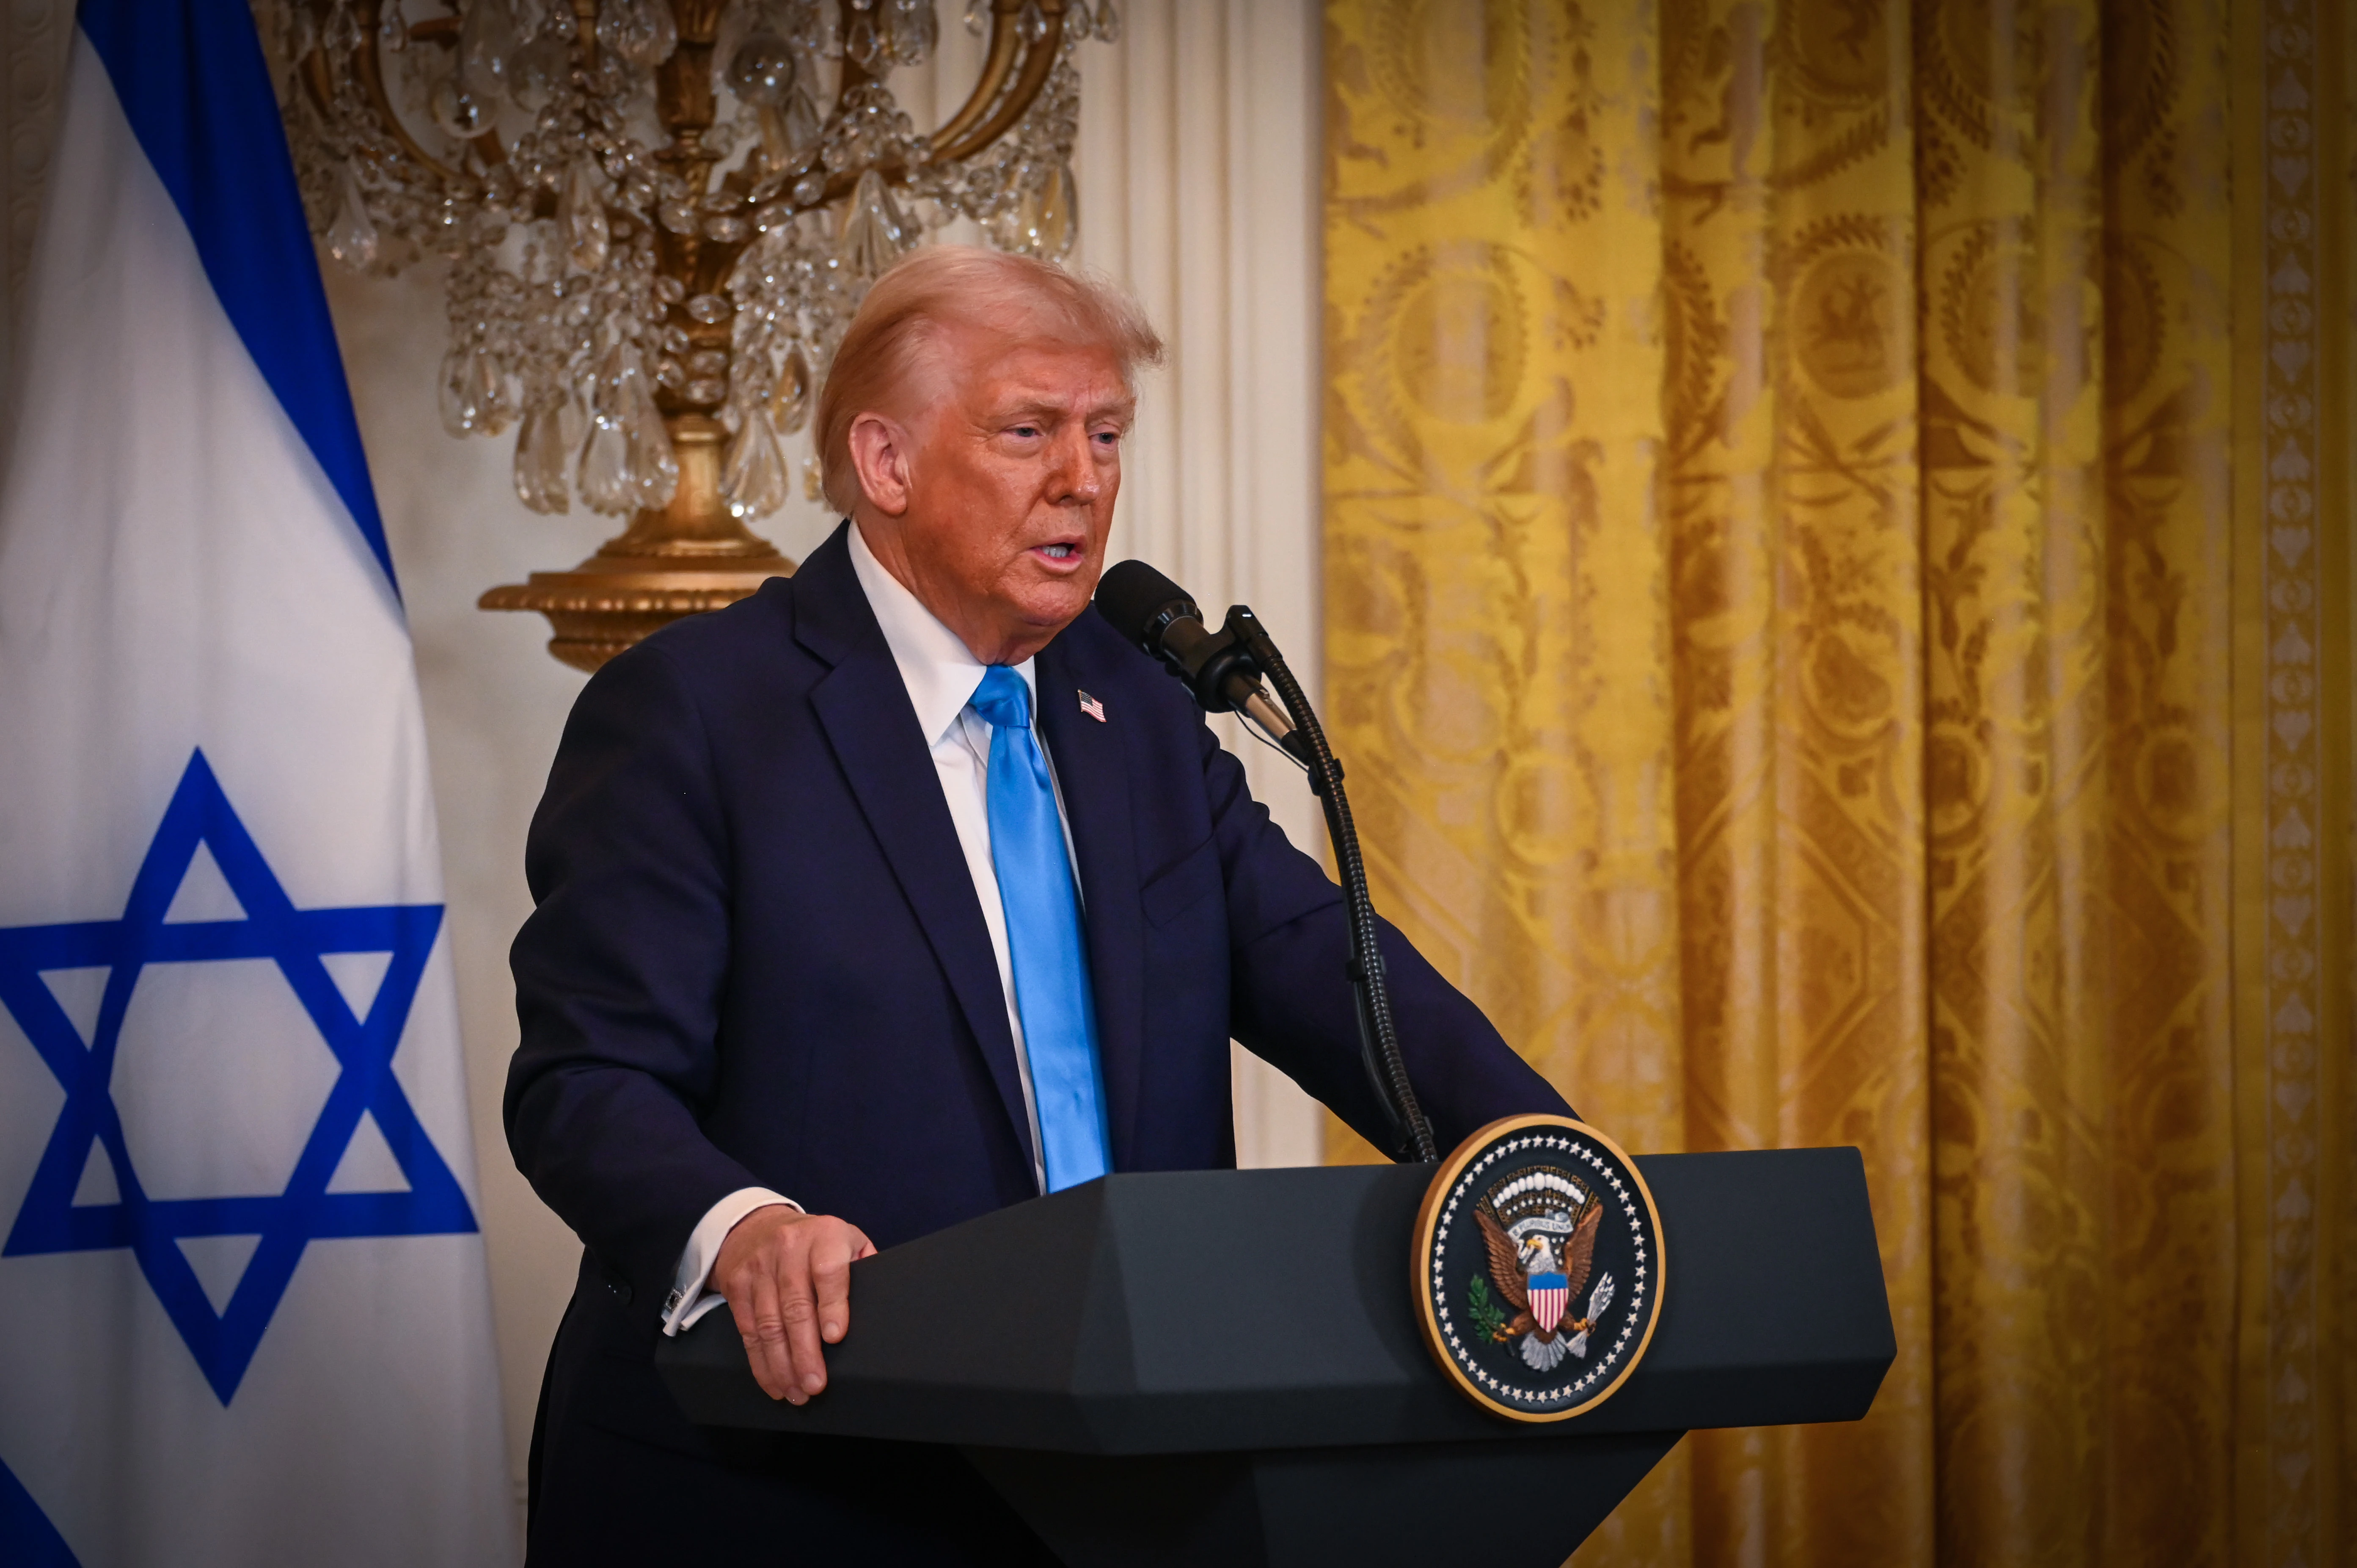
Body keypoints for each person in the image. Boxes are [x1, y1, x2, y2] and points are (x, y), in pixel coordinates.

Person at [504, 245, 1573, 1564]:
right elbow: (588, 1080)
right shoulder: (698, 714)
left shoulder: (1138, 714)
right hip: (790, 1482)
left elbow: (1318, 960)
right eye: (1030, 432)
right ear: (888, 464)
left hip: (1116, 1480)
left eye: (1106, 434)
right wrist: (742, 1230)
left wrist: (1550, 1158)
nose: (1085, 478)